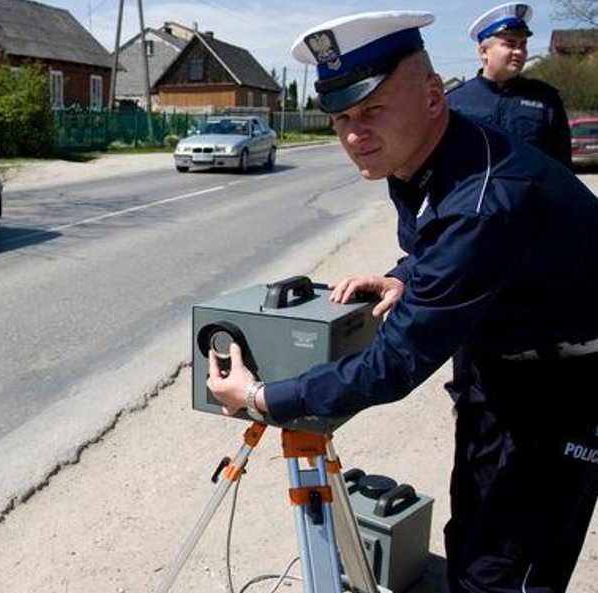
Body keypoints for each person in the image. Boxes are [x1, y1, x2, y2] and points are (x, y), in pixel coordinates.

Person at [206, 10, 598, 593]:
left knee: (509, 575)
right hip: (495, 366)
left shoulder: (484, 200)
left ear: (435, 95)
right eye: (341, 117)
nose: (353, 134)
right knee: (469, 542)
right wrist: (406, 277)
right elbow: (435, 243)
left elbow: (394, 364)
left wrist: (264, 397)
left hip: (563, 390)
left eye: (372, 110)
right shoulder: (414, 158)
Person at [446, 3, 572, 167]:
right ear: (484, 51)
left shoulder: (545, 98)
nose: (519, 52)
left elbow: (562, 166)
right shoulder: (455, 102)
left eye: (523, 44)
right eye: (510, 44)